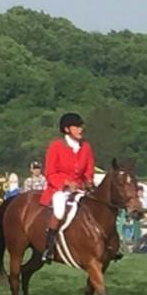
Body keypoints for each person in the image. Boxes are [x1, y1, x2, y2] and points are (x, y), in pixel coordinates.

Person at [40, 112, 96, 262]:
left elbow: (89, 170)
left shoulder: (86, 147)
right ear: (67, 129)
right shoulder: (56, 146)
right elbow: (50, 173)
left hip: (81, 188)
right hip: (59, 189)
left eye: (80, 127)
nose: (80, 130)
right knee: (59, 210)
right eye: (76, 127)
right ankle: (49, 247)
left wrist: (88, 182)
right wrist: (66, 183)